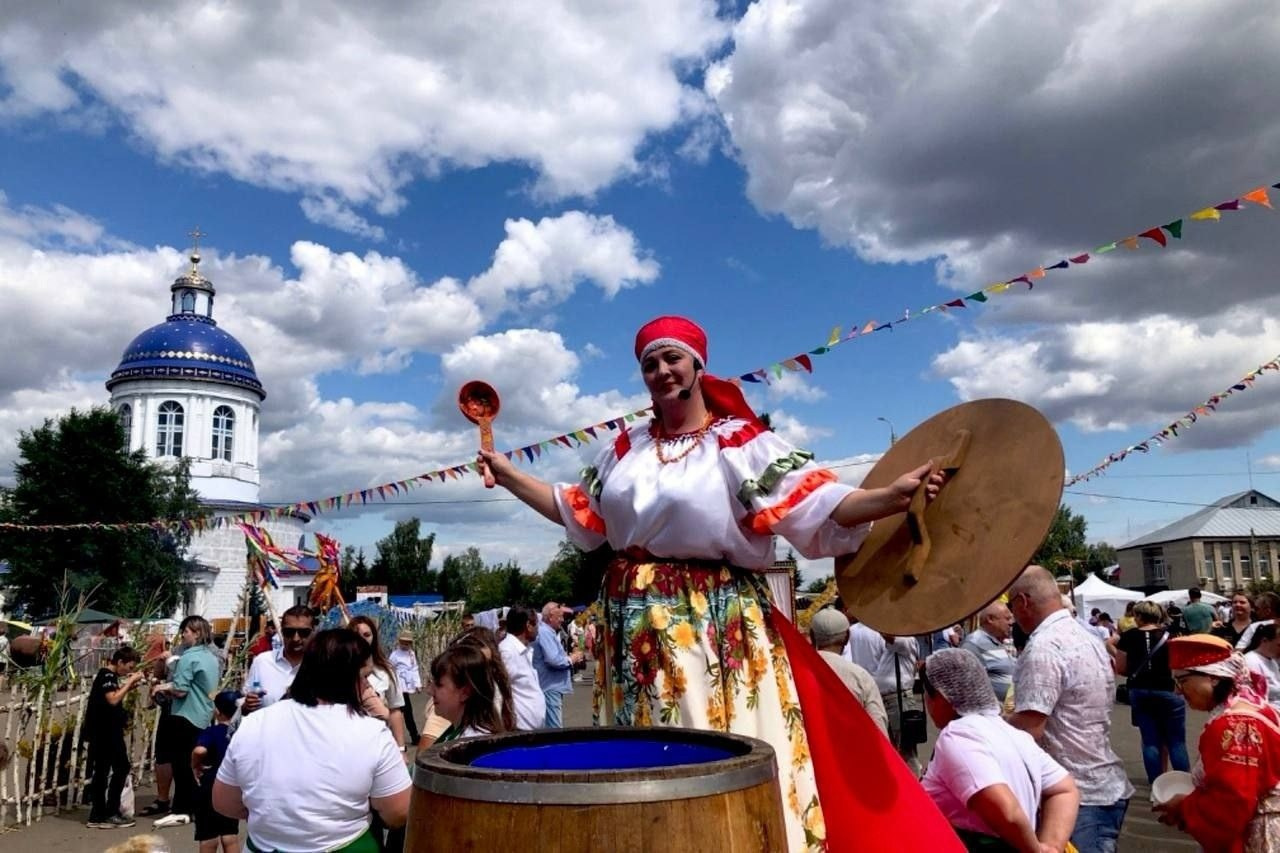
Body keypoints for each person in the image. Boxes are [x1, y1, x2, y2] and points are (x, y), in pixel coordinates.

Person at [476, 315, 948, 852]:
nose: (661, 371)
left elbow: (818, 503)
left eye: (672, 358)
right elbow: (577, 514)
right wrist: (508, 473)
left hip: (707, 616)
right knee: (637, 748)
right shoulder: (622, 449)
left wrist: (891, 495)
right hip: (629, 626)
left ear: (699, 364)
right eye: (649, 363)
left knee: (707, 737)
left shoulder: (738, 443)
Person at [213, 629, 412, 852]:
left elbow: (224, 801)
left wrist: (275, 818)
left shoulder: (254, 723)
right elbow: (398, 812)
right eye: (364, 677)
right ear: (345, 676)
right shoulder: (372, 733)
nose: (368, 687)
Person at [1007, 566, 1133, 853]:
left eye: (1011, 605)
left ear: (1024, 601)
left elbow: (1030, 727)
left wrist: (990, 725)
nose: (1011, 614)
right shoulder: (1086, 636)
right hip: (1100, 783)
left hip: (1074, 795)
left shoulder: (1043, 647)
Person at [921, 648, 1079, 852]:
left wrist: (1036, 851)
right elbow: (1064, 788)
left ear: (942, 696)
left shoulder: (958, 735)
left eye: (927, 695)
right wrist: (1052, 845)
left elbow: (1006, 812)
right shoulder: (1012, 733)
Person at [1154, 634, 1280, 850]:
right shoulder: (1251, 706)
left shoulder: (1235, 725)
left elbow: (1232, 802)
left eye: (1182, 680)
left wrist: (1184, 807)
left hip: (1258, 834)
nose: (1177, 690)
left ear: (1213, 677)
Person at [1112, 600, 1190, 783]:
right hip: (1167, 688)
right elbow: (1181, 664)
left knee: (1150, 740)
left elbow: (1121, 668)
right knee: (1176, 741)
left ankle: (1157, 784)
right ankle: (1184, 783)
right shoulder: (1170, 635)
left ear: (1139, 616)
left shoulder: (1129, 636)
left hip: (1140, 690)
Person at [152, 616, 220, 828]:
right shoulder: (210, 657)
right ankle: (188, 806)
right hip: (202, 714)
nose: (183, 635)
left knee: (181, 764)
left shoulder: (189, 658)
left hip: (185, 714)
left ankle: (185, 808)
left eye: (186, 631)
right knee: (192, 762)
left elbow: (180, 689)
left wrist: (161, 688)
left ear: (197, 633)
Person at [84, 646, 143, 829]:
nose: (129, 671)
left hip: (104, 731)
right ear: (120, 662)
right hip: (105, 732)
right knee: (120, 767)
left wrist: (129, 686)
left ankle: (99, 813)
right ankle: (108, 812)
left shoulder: (110, 677)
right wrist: (130, 681)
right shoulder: (107, 676)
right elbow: (113, 699)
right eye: (129, 667)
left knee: (103, 771)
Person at [809, 608, 887, 736]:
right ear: (847, 637)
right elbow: (879, 730)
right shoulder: (860, 677)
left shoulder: (795, 672)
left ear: (812, 636)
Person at [349, 616, 407, 753]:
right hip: (349, 742)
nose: (362, 639)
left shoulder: (386, 670)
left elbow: (395, 710)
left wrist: (401, 748)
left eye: (367, 635)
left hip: (379, 742)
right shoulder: (338, 669)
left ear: (374, 637)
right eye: (356, 635)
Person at [191, 690, 241, 853]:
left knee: (208, 837)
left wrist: (195, 765)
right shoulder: (240, 733)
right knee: (230, 834)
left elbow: (199, 751)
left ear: (217, 711)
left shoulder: (212, 731)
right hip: (232, 786)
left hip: (210, 786)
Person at [430, 642, 510, 742]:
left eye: (439, 684)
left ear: (465, 693)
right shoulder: (456, 732)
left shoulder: (471, 743)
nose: (430, 691)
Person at [242, 606, 315, 713]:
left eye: (303, 632)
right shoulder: (262, 662)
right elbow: (246, 701)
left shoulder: (322, 666)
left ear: (314, 631)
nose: (296, 638)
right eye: (289, 632)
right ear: (281, 631)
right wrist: (247, 705)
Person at [875, 632, 924, 776]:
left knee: (907, 751)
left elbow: (890, 637)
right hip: (891, 700)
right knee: (895, 749)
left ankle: (915, 788)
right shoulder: (894, 646)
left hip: (899, 700)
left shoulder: (906, 639)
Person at [531, 602, 582, 728]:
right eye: (559, 617)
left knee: (551, 726)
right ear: (550, 617)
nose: (562, 620)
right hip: (550, 686)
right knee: (554, 728)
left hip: (550, 686)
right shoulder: (545, 632)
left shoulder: (547, 631)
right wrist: (571, 659)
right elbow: (553, 660)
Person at [498, 605, 547, 730]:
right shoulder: (507, 651)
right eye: (536, 624)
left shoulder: (523, 650)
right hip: (518, 733)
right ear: (528, 625)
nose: (538, 628)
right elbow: (497, 694)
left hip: (530, 732)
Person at [960, 601, 1016, 704]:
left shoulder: (1001, 641)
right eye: (1007, 618)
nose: (1011, 622)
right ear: (990, 619)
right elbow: (970, 687)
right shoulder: (973, 644)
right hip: (993, 715)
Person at [389, 631, 423, 744]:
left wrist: (417, 684)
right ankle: (407, 737)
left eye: (407, 643)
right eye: (403, 642)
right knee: (400, 712)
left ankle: (414, 736)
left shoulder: (411, 654)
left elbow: (414, 669)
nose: (405, 645)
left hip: (406, 685)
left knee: (407, 713)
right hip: (398, 685)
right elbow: (390, 668)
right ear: (399, 642)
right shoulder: (394, 655)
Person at [1245, 622, 1280, 708]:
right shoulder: (1251, 661)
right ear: (1264, 641)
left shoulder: (1272, 661)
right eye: (1279, 645)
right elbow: (1255, 692)